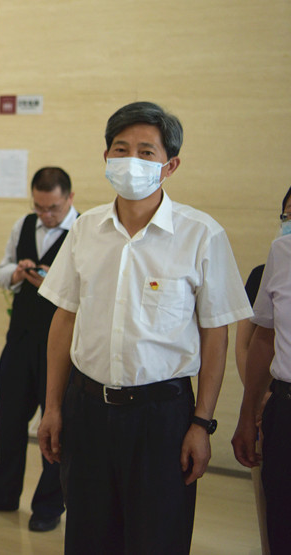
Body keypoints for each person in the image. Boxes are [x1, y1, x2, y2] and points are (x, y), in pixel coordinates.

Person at [36, 101, 252, 554]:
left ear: (170, 166)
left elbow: (216, 334)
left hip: (162, 417)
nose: (131, 160)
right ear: (106, 156)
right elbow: (65, 318)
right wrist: (52, 406)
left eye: (146, 152)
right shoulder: (85, 230)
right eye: (121, 149)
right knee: (88, 538)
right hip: (87, 410)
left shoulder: (201, 235)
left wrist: (202, 423)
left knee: (158, 539)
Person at [0, 166, 77, 532]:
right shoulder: (24, 225)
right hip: (20, 339)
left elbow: (87, 289)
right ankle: (3, 493)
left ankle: (49, 506)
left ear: (69, 199)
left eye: (53, 208)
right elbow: (1, 271)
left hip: (60, 347)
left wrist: (51, 281)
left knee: (54, 425)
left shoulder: (84, 231)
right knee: (9, 419)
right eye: (39, 207)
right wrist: (17, 272)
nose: (45, 214)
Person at [232, 184, 291, 554]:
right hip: (284, 409)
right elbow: (261, 339)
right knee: (280, 523)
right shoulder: (281, 253)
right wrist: (249, 410)